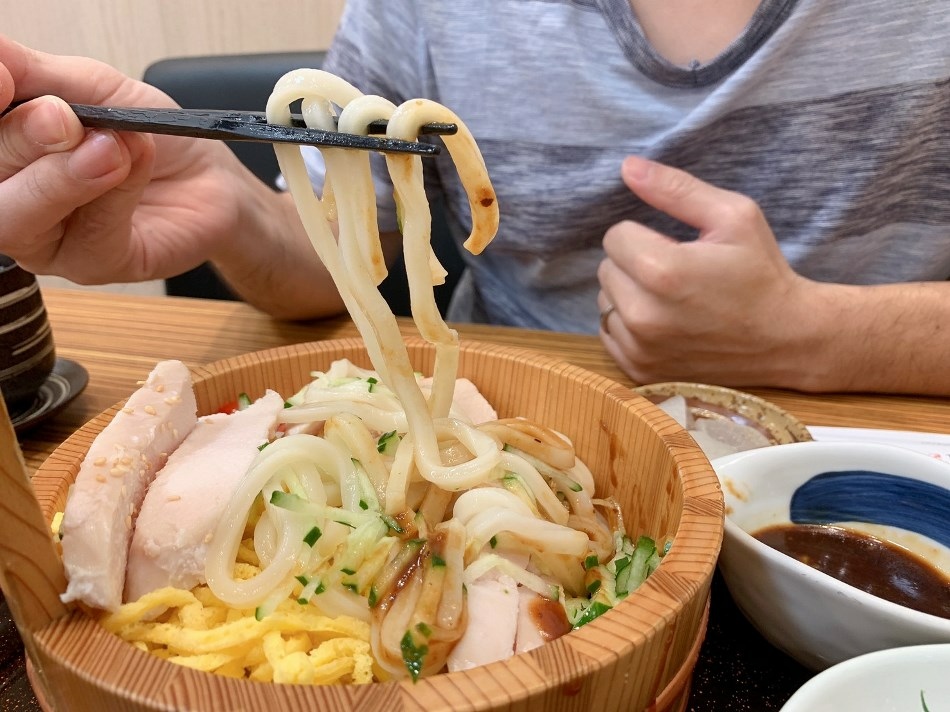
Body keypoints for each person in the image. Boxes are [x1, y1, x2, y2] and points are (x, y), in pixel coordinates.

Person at [0, 0, 947, 395]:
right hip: (508, 413)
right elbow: (336, 263)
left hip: (880, 435)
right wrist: (226, 203)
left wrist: (811, 333)